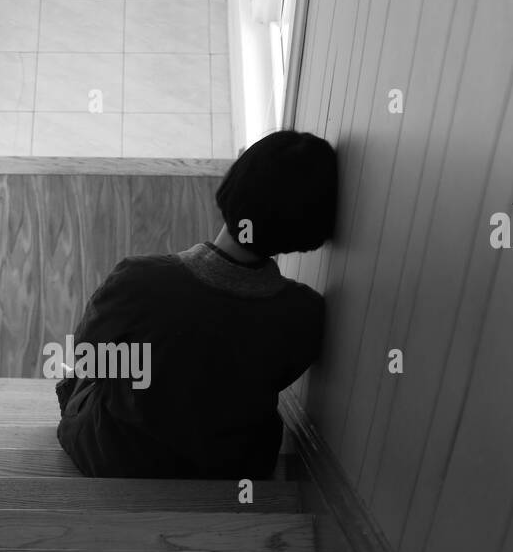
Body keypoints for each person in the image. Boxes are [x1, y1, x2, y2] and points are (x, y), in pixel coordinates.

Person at [54, 129, 336, 479]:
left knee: (86, 374)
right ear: (308, 234)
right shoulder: (306, 314)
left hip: (119, 456)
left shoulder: (138, 280)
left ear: (235, 184)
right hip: (233, 469)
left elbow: (87, 358)